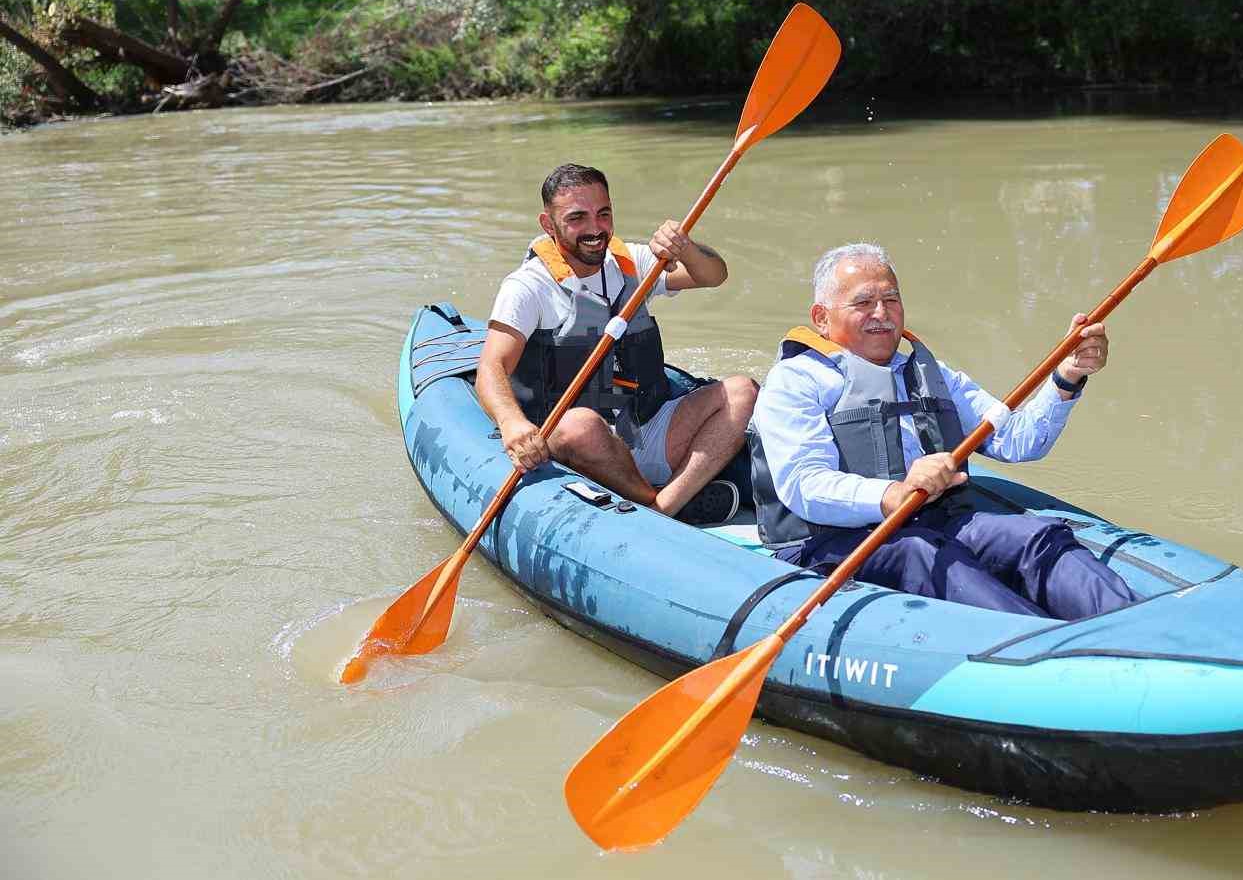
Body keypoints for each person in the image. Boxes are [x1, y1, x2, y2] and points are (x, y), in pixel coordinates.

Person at [749, 243, 1136, 620]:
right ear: (822, 317)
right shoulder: (796, 380)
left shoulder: (931, 373)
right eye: (864, 303)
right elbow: (805, 485)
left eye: (891, 300)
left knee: (1037, 538)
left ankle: (1136, 626)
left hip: (932, 520)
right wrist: (893, 495)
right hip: (831, 542)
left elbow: (1017, 441)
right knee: (923, 554)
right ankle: (1053, 650)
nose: (882, 314)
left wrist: (1066, 377)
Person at [476, 163, 757, 525]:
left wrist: (685, 248)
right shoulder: (527, 287)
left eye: (603, 214)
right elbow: (490, 368)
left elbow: (713, 275)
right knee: (580, 425)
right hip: (577, 441)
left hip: (643, 426)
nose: (595, 229)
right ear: (548, 225)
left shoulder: (632, 262)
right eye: (577, 218)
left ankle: (665, 506)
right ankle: (665, 502)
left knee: (742, 391)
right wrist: (512, 423)